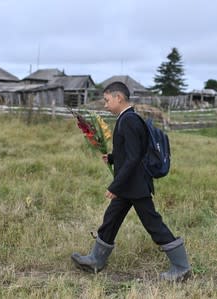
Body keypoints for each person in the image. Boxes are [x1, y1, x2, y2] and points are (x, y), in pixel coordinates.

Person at [71, 81, 191, 281]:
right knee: (111, 220)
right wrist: (112, 158)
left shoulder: (129, 120)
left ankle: (181, 267)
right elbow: (129, 152)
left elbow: (135, 158)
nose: (105, 105)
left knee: (153, 224)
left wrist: (115, 186)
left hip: (134, 186)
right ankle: (95, 260)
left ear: (119, 98)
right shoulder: (127, 118)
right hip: (130, 186)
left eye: (107, 100)